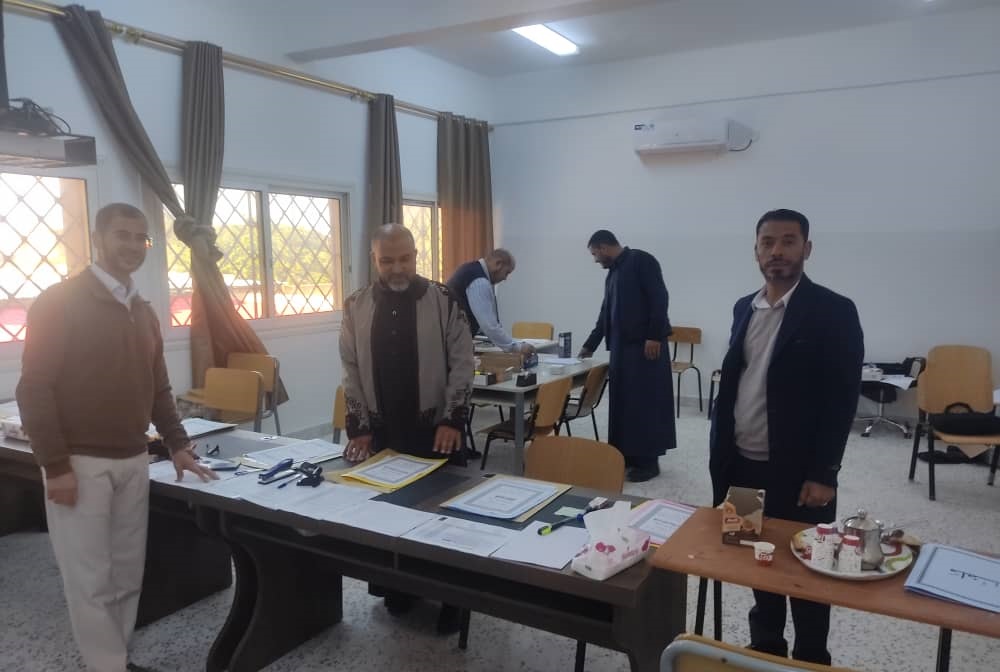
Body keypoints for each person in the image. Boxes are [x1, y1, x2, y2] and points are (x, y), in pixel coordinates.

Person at [16, 203, 215, 672]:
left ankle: (116, 658)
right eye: (121, 234)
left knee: (127, 571)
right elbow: (34, 388)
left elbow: (158, 387)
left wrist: (178, 445)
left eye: (140, 237)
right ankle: (106, 665)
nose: (132, 245)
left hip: (133, 458)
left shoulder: (142, 311)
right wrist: (55, 466)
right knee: (90, 577)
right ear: (98, 239)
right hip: (79, 463)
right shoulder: (59, 302)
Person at [709, 209, 864, 664]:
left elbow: (841, 399)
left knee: (810, 570)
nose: (776, 251)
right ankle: (766, 646)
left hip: (801, 473)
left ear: (806, 249)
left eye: (788, 241)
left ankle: (812, 657)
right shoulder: (744, 307)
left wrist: (825, 472)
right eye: (767, 242)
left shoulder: (834, 310)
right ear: (756, 250)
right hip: (741, 465)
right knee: (755, 558)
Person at [339, 223, 473, 633]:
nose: (397, 268)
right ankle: (401, 587)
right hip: (384, 432)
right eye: (387, 260)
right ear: (374, 260)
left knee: (444, 516)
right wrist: (359, 426)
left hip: (434, 429)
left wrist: (451, 418)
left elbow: (463, 361)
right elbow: (350, 369)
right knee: (390, 513)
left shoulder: (443, 299)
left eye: (404, 259)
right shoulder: (356, 304)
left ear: (416, 255)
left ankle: (453, 599)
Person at [579, 230, 676, 482]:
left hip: (645, 349)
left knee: (645, 406)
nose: (595, 260)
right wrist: (590, 344)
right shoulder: (613, 274)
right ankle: (626, 456)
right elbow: (605, 313)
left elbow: (659, 298)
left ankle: (648, 463)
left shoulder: (641, 260)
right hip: (622, 351)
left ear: (603, 247)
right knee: (624, 406)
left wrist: (654, 335)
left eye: (595, 254)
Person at [446, 248, 534, 353]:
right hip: (452, 344)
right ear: (498, 264)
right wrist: (517, 347)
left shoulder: (469, 269)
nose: (505, 278)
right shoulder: (479, 280)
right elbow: (489, 325)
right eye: (506, 272)